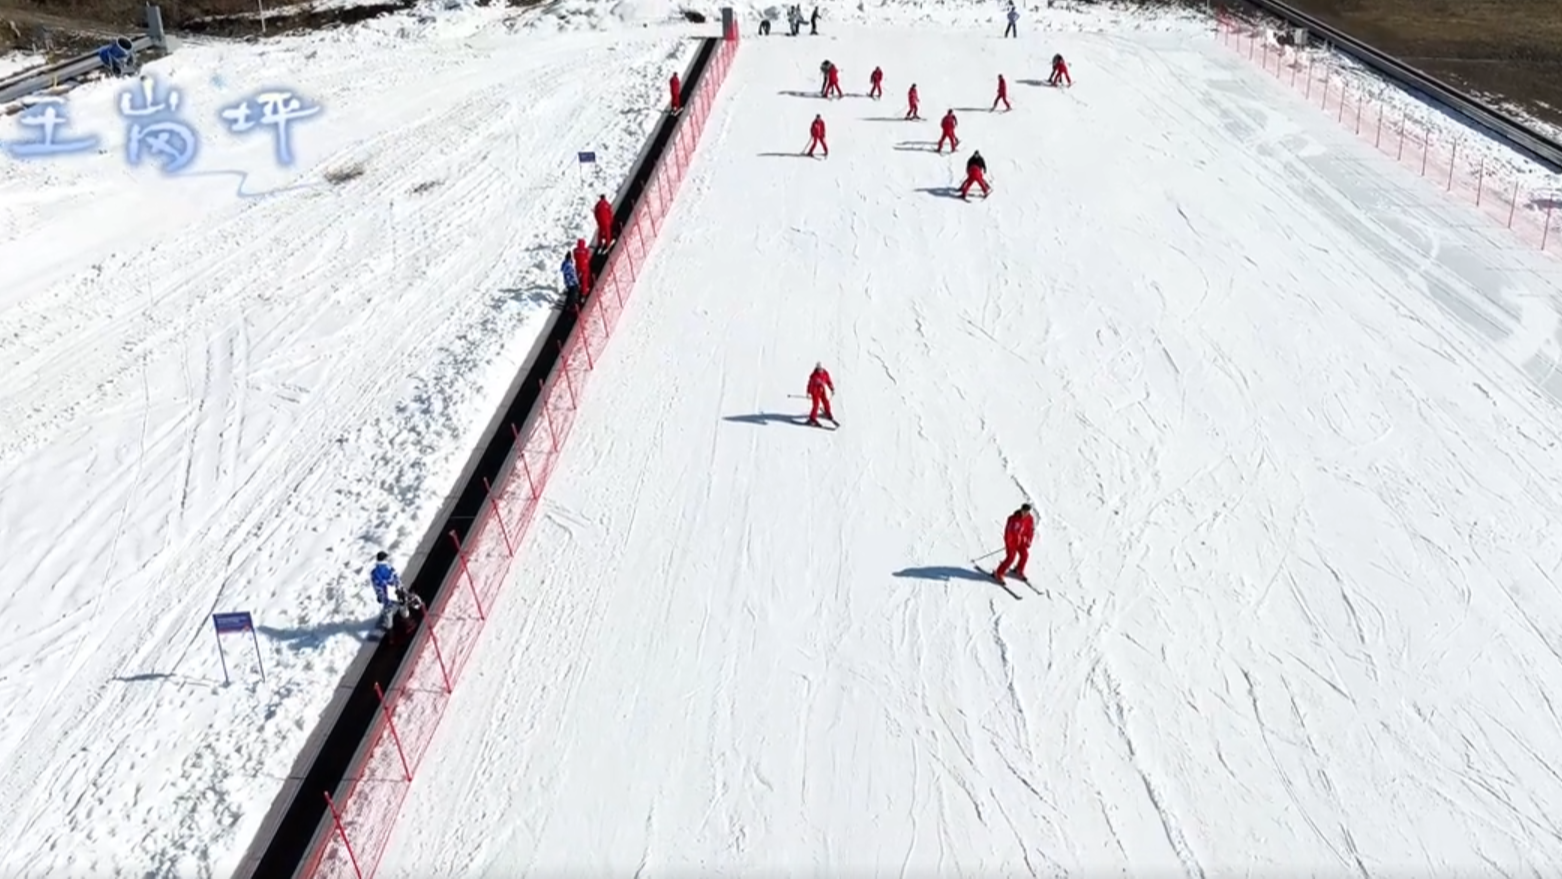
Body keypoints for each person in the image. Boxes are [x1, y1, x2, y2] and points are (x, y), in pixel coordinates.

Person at [371, 552, 424, 629]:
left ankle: (390, 631)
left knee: (388, 611)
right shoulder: (387, 568)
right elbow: (394, 579)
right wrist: (400, 588)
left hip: (386, 594)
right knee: (402, 605)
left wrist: (379, 595)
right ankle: (408, 622)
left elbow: (376, 586)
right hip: (393, 592)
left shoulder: (374, 573)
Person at [992, 504, 1035, 585]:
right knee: (1011, 557)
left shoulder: (1030, 519)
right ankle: (999, 573)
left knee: (1025, 555)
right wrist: (1010, 543)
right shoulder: (1013, 519)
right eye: (1024, 511)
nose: (1025, 513)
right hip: (1011, 541)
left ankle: (1019, 569)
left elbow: (1030, 531)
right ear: (1021, 510)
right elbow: (1008, 532)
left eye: (1027, 512)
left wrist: (1028, 540)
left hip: (1021, 541)